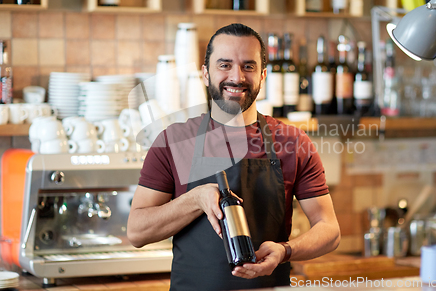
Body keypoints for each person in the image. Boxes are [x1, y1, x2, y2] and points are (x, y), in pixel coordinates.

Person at [127, 23, 341, 291]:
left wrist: (285, 251)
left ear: (263, 75)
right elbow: (137, 232)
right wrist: (194, 200)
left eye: (248, 66)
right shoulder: (174, 141)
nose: (236, 77)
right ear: (205, 73)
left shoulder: (293, 143)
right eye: (224, 65)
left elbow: (330, 230)